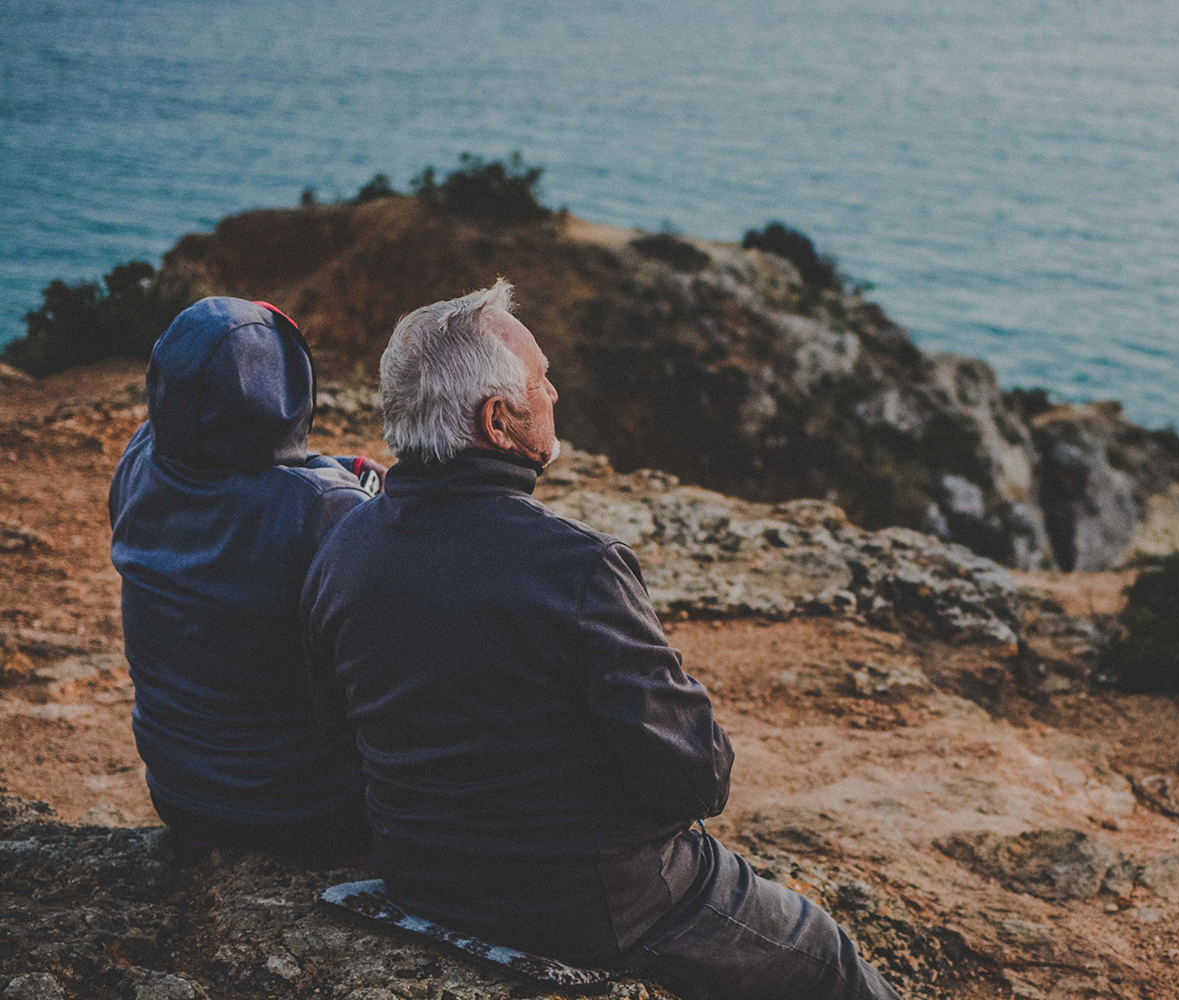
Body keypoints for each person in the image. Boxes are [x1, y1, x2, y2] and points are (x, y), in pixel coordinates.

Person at [302, 280, 901, 1000]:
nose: (554, 393)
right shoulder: (575, 566)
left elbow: (336, 722)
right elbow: (699, 777)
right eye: (542, 381)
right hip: (591, 904)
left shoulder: (344, 545)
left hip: (418, 874)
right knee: (827, 957)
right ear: (499, 420)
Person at [110, 297, 379, 865]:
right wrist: (358, 484)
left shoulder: (139, 459)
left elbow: (239, 473)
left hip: (178, 793)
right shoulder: (324, 511)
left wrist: (332, 469)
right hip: (307, 811)